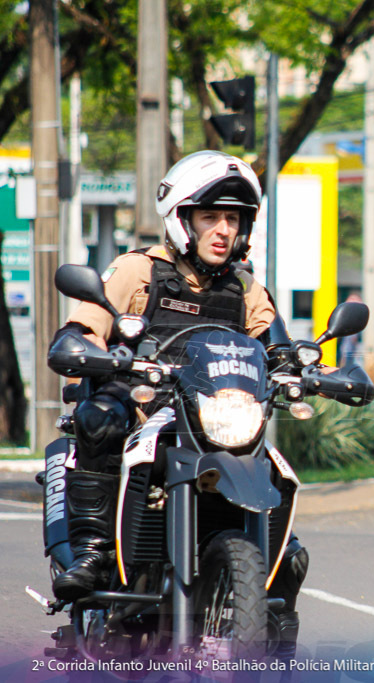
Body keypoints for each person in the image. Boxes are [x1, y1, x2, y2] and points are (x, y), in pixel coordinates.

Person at [47, 150, 308, 655]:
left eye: (233, 219)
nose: (223, 230)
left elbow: (278, 350)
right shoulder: (138, 270)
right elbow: (80, 332)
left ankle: (275, 633)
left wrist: (309, 370)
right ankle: (95, 550)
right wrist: (86, 349)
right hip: (145, 408)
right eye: (210, 217)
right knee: (98, 416)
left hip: (213, 421)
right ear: (181, 220)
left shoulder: (247, 289)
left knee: (291, 545)